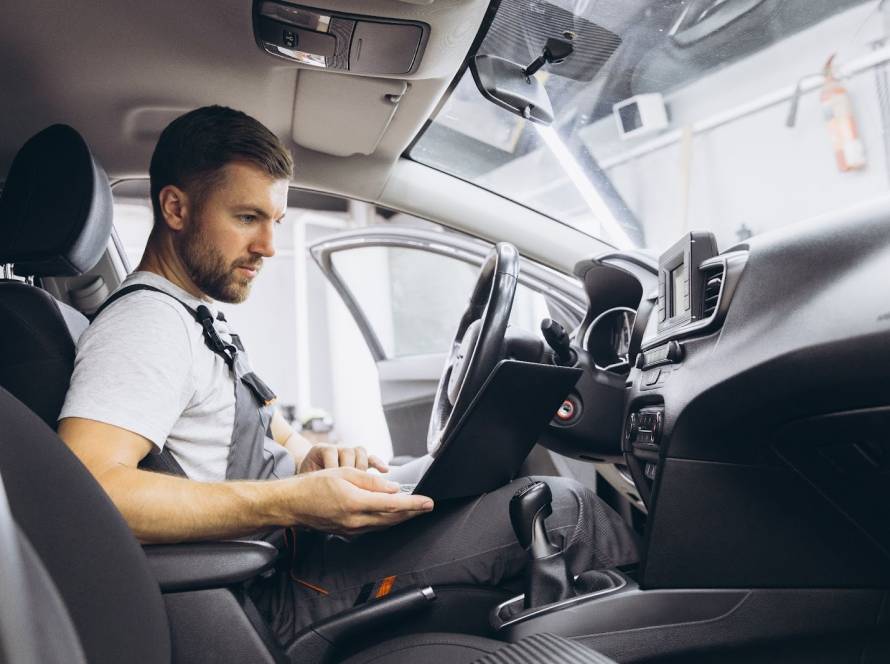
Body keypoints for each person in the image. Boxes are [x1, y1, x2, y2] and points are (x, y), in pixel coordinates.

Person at [58, 105, 638, 645]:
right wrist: (291, 502)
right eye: (246, 218)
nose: (269, 246)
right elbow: (91, 491)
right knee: (564, 511)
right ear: (177, 209)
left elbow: (267, 435)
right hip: (270, 592)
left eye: (276, 219)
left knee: (476, 483)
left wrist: (315, 462)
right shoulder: (146, 326)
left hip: (297, 550)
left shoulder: (196, 315)